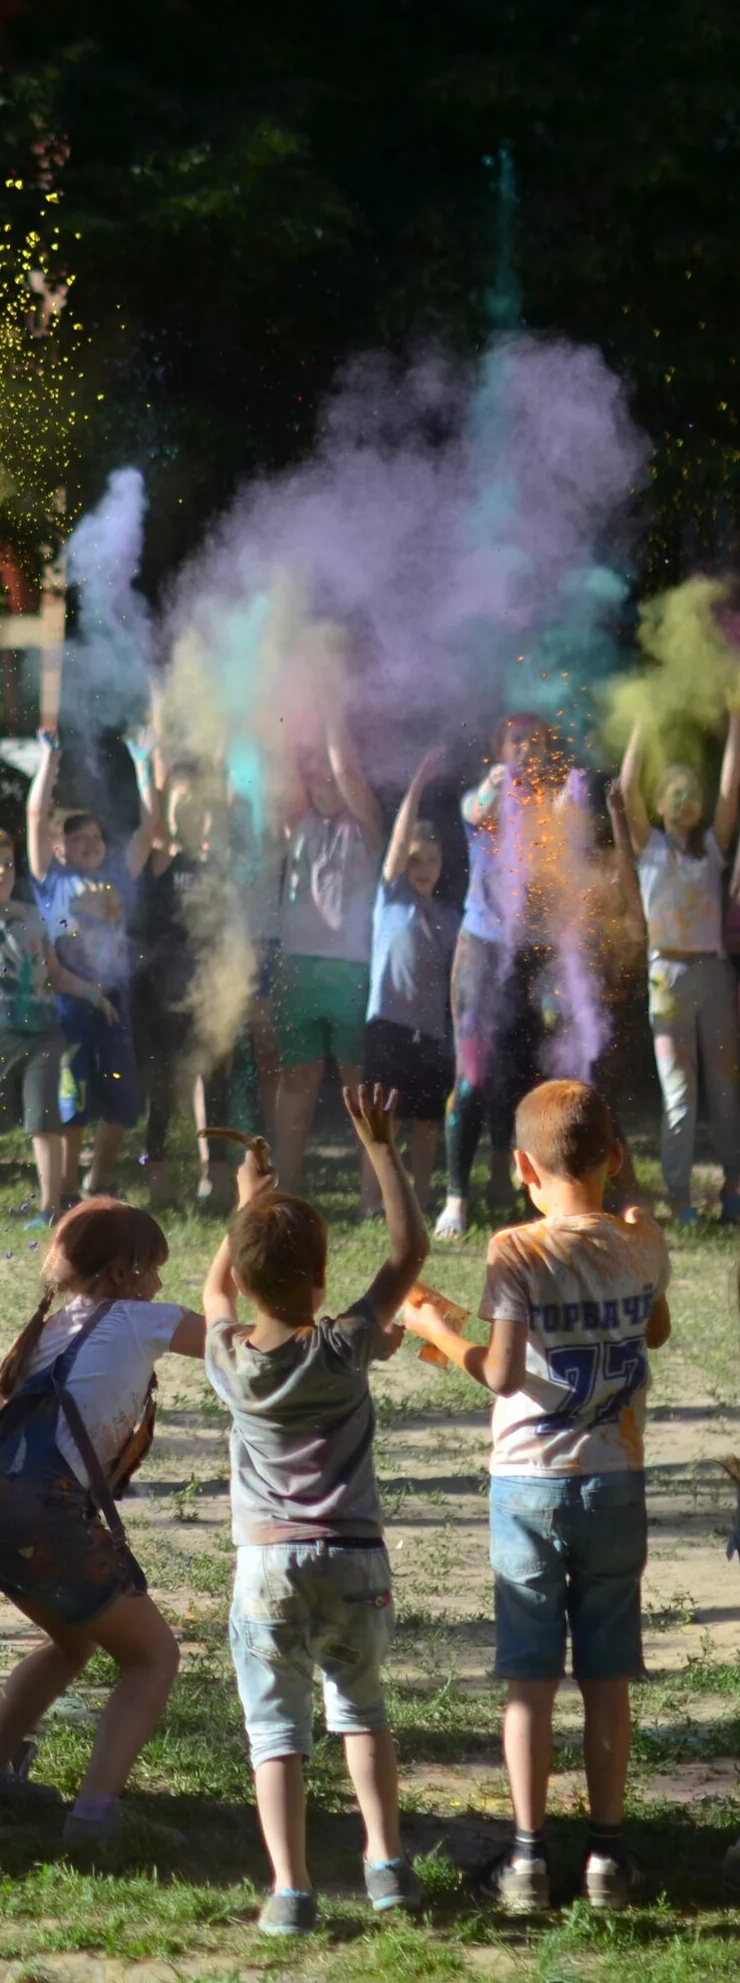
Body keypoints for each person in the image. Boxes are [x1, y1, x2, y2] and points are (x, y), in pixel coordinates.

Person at [398, 1078, 666, 1914]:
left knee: (530, 1682)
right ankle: (609, 1861)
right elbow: (653, 1331)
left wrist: (437, 1329)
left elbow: (504, 1372)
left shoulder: (514, 1248)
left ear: (519, 1165)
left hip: (530, 1486)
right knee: (608, 1679)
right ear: (616, 1158)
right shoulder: (638, 1239)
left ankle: (525, 1859)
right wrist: (644, 1240)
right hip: (617, 1482)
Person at [200, 1083, 427, 1938]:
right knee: (361, 1710)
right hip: (354, 1562)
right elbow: (407, 1250)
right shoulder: (343, 1344)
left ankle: (290, 1889)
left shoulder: (229, 1360)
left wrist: (245, 1205)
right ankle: (387, 1866)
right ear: (324, 1277)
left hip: (267, 1568)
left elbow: (215, 1291)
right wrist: (379, 1148)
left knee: (276, 1732)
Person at [0, 1199, 200, 1850]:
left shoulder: (52, 1327)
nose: (160, 1287)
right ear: (121, 1272)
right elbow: (247, 1344)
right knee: (152, 1657)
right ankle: (94, 1816)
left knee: (74, 1641)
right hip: (47, 1513)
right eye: (153, 1272)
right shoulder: (140, 1319)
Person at [440, 718, 584, 1237]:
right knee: (473, 1078)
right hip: (480, 952)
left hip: (533, 955)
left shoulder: (553, 806)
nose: (527, 751)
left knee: (534, 1079)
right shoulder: (482, 800)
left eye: (537, 745)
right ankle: (456, 1197)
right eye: (517, 743)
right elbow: (475, 808)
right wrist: (495, 787)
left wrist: (572, 806)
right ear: (500, 751)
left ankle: (539, 1197)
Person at [611, 714, 740, 1222]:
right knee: (680, 1094)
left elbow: (733, 788)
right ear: (660, 806)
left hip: (714, 976)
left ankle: (734, 1190)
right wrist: (642, 722)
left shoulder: (711, 847)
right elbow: (624, 788)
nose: (685, 799)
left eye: (692, 792)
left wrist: (735, 722)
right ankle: (681, 1198)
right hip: (666, 979)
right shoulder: (651, 848)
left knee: (727, 1090)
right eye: (674, 792)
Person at [30, 728, 162, 1198]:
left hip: (115, 1000)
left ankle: (96, 1182)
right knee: (72, 1102)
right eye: (80, 838)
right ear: (61, 847)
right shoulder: (52, 878)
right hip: (69, 1002)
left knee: (122, 1101)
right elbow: (35, 813)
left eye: (98, 837)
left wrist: (143, 764)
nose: (93, 843)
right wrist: (50, 760)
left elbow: (150, 830)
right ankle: (64, 1193)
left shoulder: (116, 876)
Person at [263, 694, 384, 1196]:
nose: (327, 785)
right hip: (298, 970)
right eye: (318, 779)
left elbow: (349, 772)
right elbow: (287, 774)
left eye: (332, 778)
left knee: (359, 1086)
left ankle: (372, 1199)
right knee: (297, 1082)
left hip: (352, 971)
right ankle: (283, 1191)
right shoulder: (297, 823)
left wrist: (331, 704)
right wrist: (292, 705)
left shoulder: (368, 824)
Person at [0, 827, 92, 1222]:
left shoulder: (31, 915)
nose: (0, 872)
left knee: (44, 1120)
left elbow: (56, 974)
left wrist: (94, 994)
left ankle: (50, 1209)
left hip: (44, 1031)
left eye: (7, 864)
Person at [364, 748, 456, 1209]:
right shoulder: (390, 897)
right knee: (385, 1118)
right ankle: (371, 1199)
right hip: (389, 1022)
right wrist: (416, 786)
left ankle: (419, 1198)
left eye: (431, 862)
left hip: (431, 1030)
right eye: (416, 861)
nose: (422, 869)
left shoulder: (447, 918)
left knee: (425, 1121)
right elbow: (398, 844)